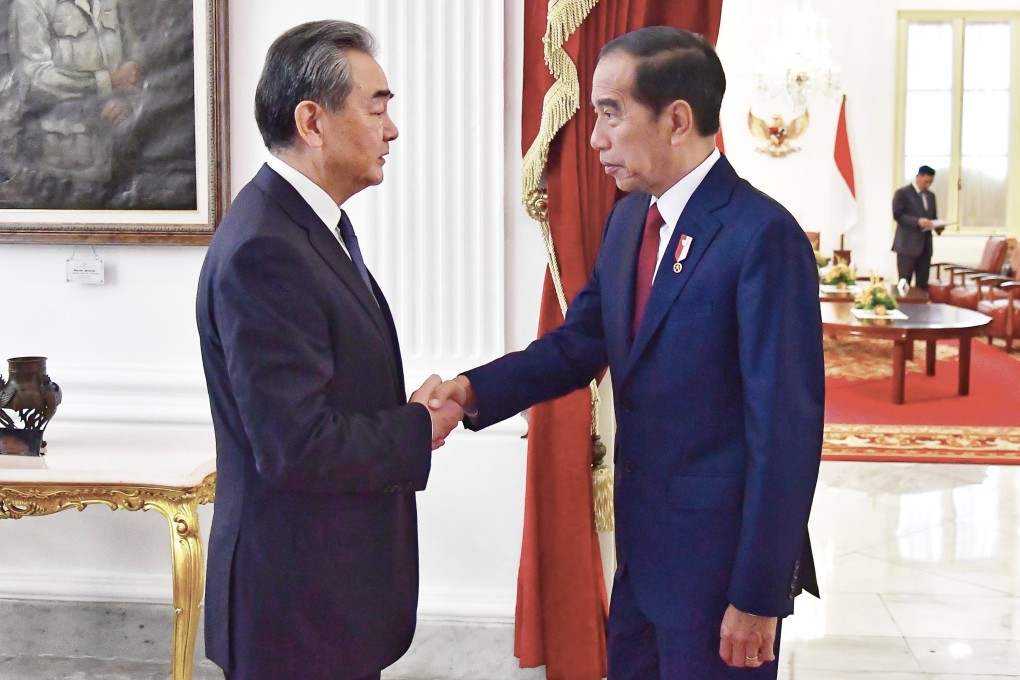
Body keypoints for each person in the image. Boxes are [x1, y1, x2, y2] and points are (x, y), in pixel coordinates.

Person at [431, 27, 823, 679]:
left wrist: (758, 596)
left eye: (611, 113)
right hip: (642, 562)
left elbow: (786, 435)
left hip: (721, 578)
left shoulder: (762, 237)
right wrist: (471, 391)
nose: (594, 138)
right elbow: (577, 345)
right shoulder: (629, 222)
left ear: (677, 119)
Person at [196, 21, 464, 680]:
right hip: (294, 613)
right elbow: (295, 446)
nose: (392, 130)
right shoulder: (268, 248)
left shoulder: (303, 225)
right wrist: (417, 427)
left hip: (323, 603)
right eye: (376, 109)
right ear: (312, 122)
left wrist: (406, 417)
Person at [8, 0, 143, 208]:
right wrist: (106, 82)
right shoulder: (30, 4)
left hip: (117, 163)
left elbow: (134, 69)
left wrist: (127, 103)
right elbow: (33, 79)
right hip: (59, 170)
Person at [892, 164, 944, 289]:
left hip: (925, 247)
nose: (927, 185)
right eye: (926, 181)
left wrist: (938, 226)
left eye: (930, 182)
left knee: (922, 285)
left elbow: (932, 217)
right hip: (907, 246)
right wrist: (917, 222)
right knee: (904, 284)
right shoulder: (903, 193)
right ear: (919, 176)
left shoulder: (930, 196)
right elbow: (898, 215)